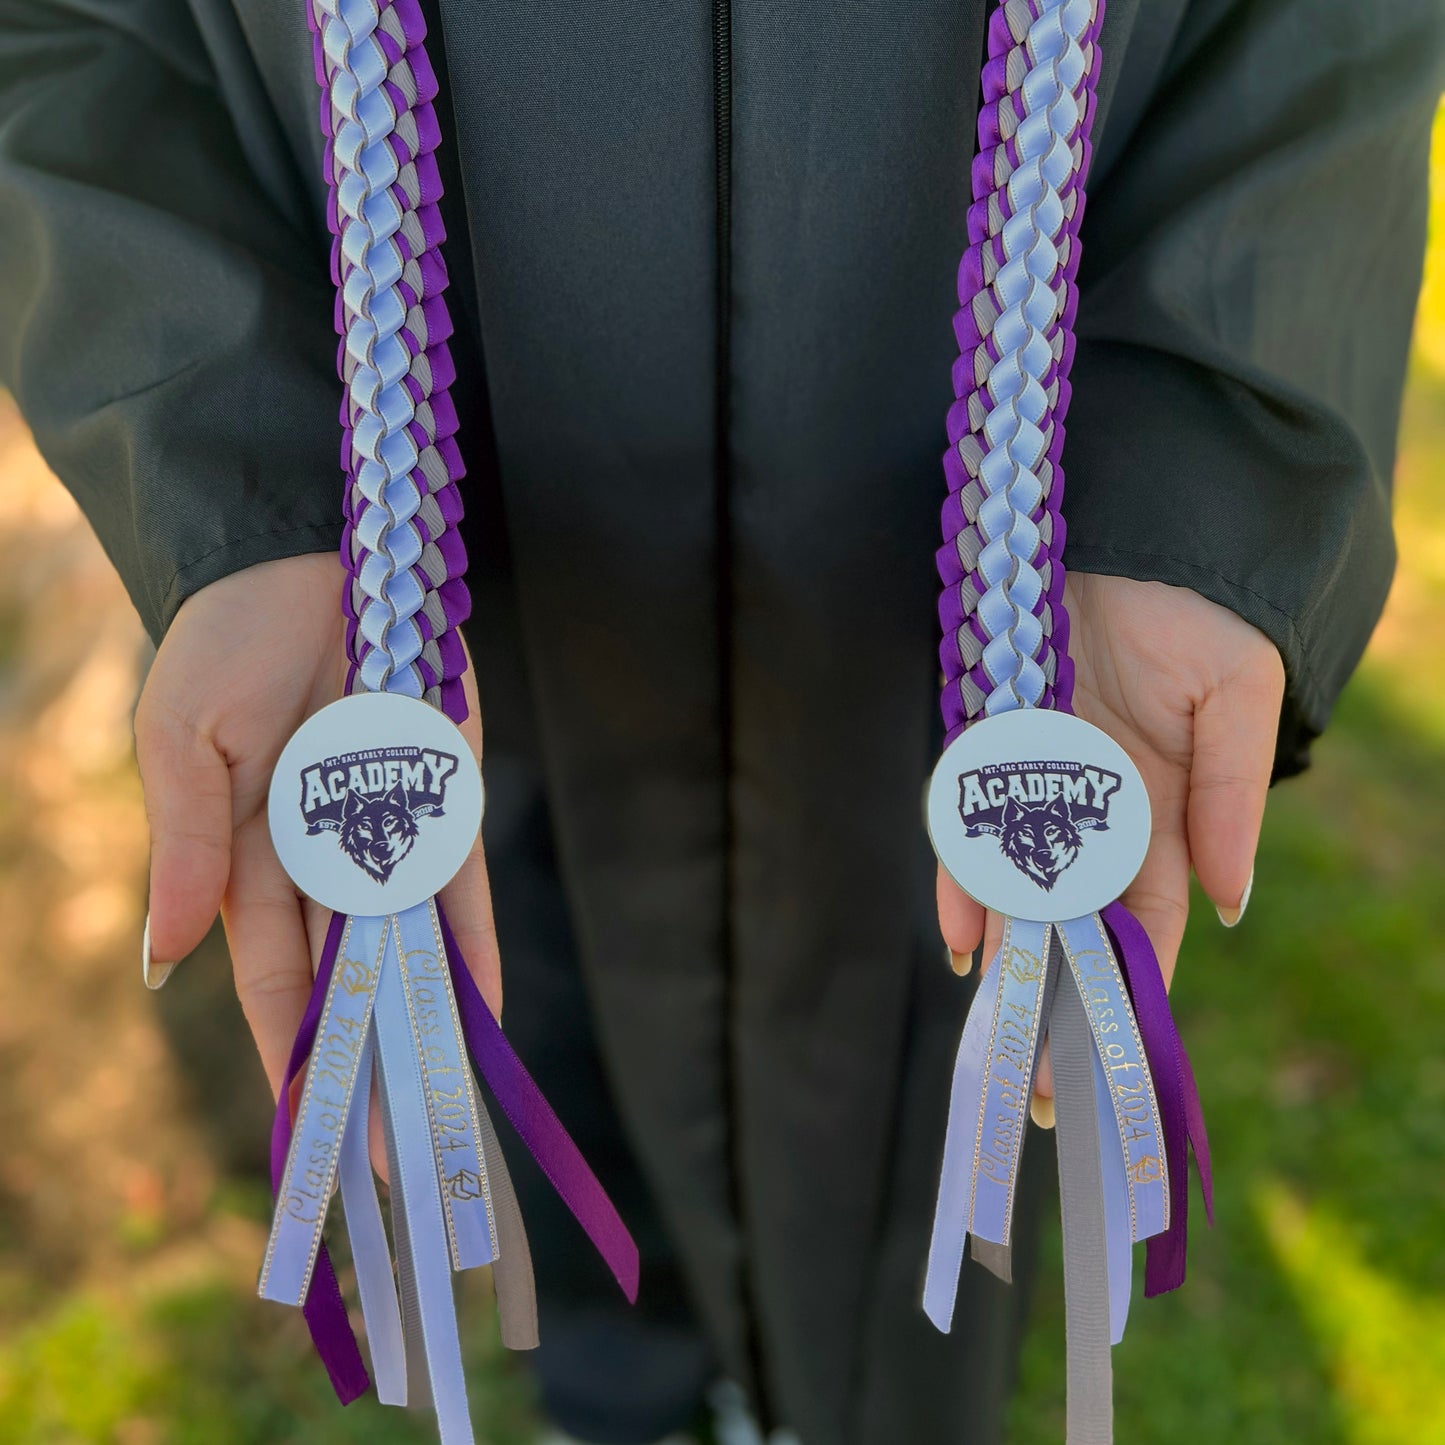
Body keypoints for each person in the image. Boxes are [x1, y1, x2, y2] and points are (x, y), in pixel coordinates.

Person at [1, 2, 1440, 1441]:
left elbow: (1315, 38)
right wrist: (239, 477)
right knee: (538, 1007)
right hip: (466, 579)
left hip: (956, 627)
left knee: (940, 1073)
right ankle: (619, 1390)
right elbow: (74, 41)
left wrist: (1203, 461)